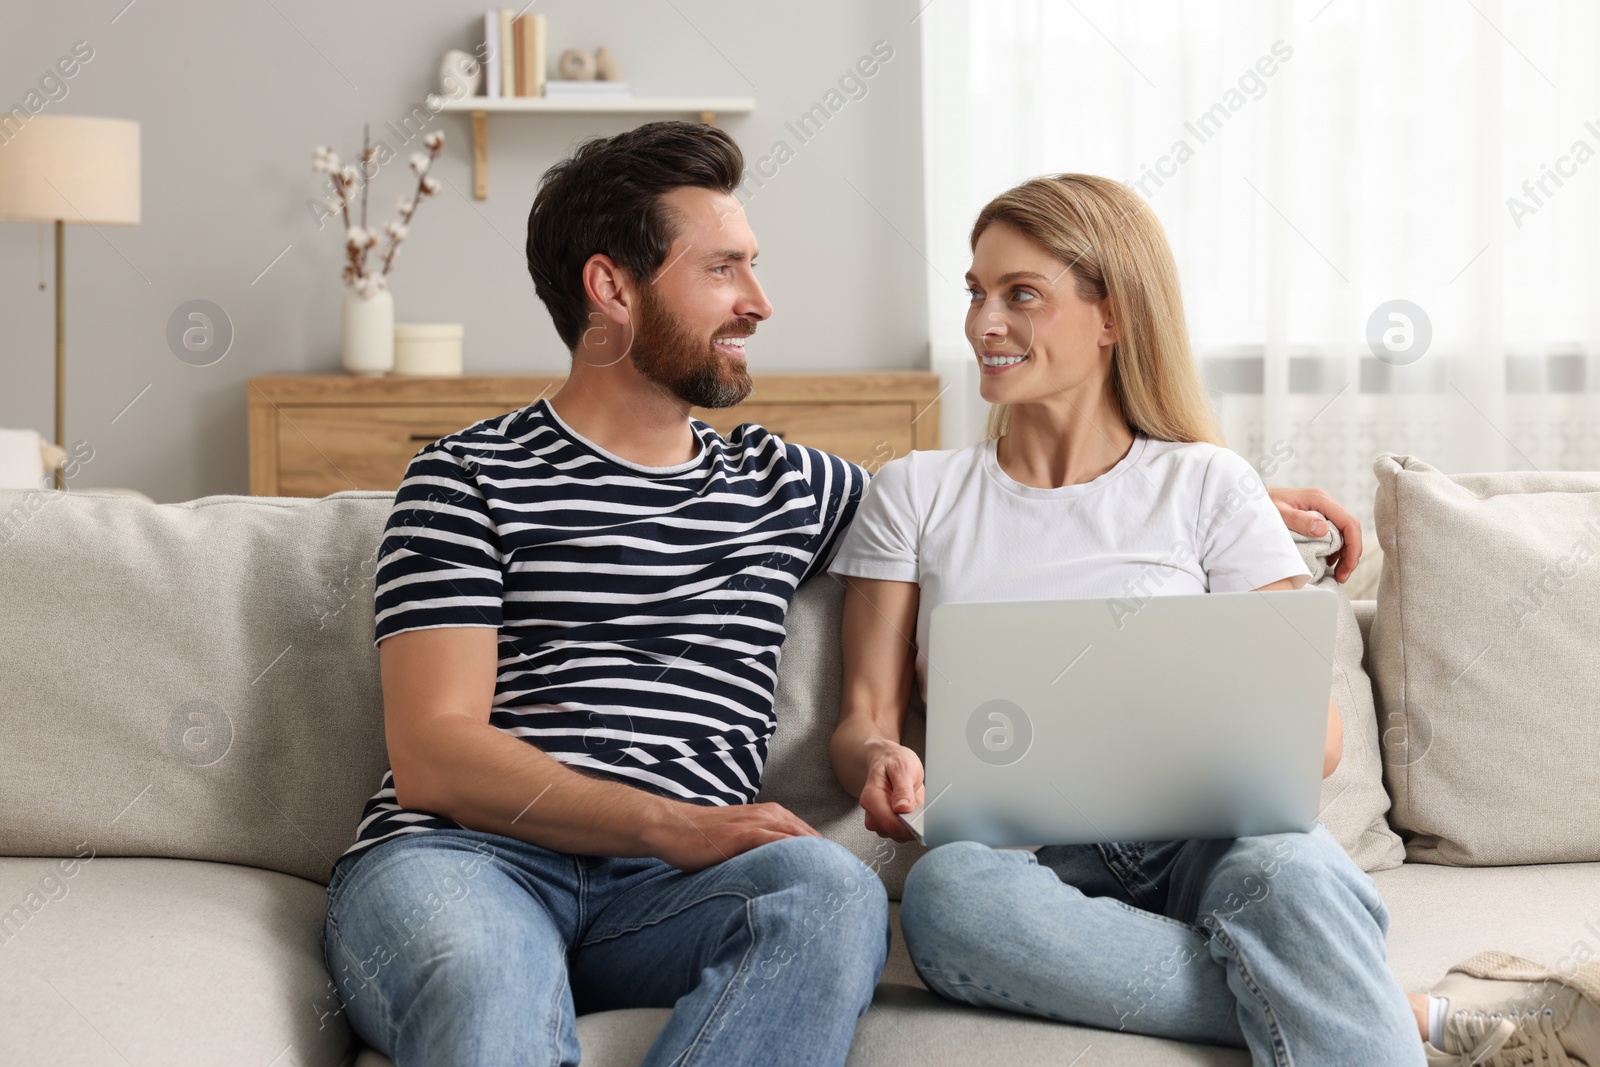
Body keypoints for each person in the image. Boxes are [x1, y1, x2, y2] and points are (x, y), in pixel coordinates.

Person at [321, 120, 1378, 1066]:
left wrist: (1232, 490)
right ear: (612, 289)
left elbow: (1033, 507)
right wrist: (673, 823)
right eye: (725, 268)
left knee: (829, 891)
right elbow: (436, 751)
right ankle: (1339, 1002)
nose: (760, 301)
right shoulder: (467, 477)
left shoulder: (788, 485)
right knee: (488, 992)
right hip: (469, 858)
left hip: (674, 895)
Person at [826, 173, 1600, 1067]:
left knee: (1296, 871)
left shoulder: (1208, 484)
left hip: (1206, 839)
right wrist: (879, 759)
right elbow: (863, 721)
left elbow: (1314, 741)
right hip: (1019, 862)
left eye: (1020, 295)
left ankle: (1343, 992)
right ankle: (1390, 1009)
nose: (982, 323)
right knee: (947, 898)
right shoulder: (913, 493)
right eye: (976, 292)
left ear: (1111, 315)